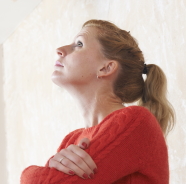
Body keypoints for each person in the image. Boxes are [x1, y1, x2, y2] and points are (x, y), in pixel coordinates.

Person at [20, 20, 175, 183]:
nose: (60, 50)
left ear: (106, 68)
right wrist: (51, 165)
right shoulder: (72, 140)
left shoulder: (135, 121)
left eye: (79, 44)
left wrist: (28, 173)